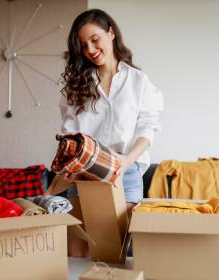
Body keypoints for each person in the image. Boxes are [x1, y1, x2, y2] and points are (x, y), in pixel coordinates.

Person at [59, 9, 163, 256]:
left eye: (95, 39)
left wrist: (126, 162)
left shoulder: (138, 82)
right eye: (83, 45)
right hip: (83, 175)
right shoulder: (76, 83)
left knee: (114, 254)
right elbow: (69, 131)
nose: (90, 49)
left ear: (111, 33)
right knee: (76, 252)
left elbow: (148, 126)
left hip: (124, 173)